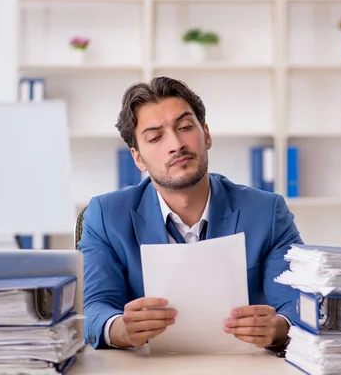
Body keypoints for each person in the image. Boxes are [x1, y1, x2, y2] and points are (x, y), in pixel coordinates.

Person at [79, 76, 303, 351]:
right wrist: (119, 328)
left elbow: (297, 304)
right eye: (155, 137)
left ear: (206, 135)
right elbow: (93, 307)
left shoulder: (267, 212)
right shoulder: (105, 216)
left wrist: (278, 328)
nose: (175, 144)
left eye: (185, 127)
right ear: (138, 158)